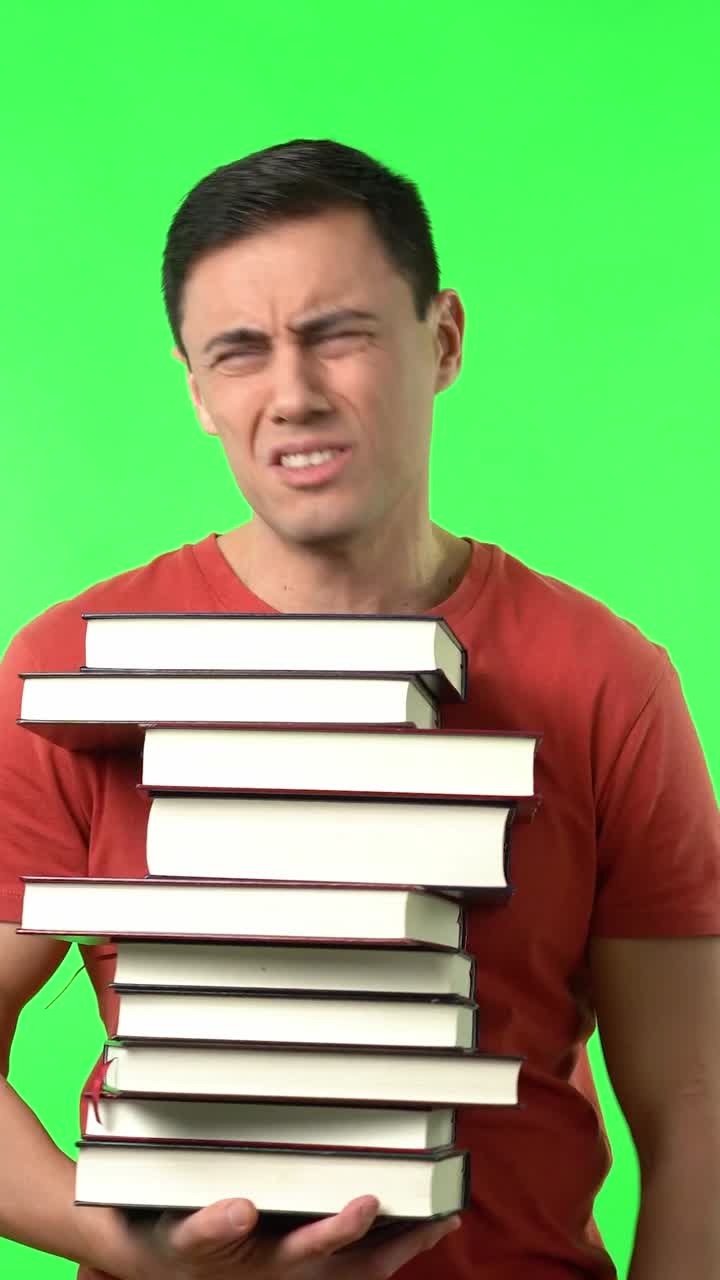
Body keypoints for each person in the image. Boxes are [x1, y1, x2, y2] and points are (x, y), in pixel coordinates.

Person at [0, 137, 718, 1280]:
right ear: (196, 389)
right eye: (240, 351)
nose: (293, 393)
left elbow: (694, 1111)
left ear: (441, 340)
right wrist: (126, 1248)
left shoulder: (606, 680)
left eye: (339, 333)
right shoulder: (72, 674)